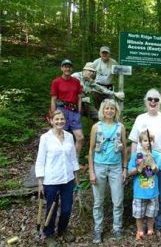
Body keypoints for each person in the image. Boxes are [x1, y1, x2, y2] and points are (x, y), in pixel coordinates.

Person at [128, 88, 161, 232]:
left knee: (160, 195)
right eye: (150, 99)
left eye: (156, 99)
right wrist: (133, 162)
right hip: (142, 161)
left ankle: (159, 224)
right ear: (146, 101)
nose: (153, 102)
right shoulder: (140, 118)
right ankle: (143, 225)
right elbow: (133, 142)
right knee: (143, 192)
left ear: (160, 102)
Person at [35, 110, 79, 246]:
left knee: (67, 209)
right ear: (51, 121)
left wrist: (76, 177)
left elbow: (72, 158)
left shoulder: (69, 136)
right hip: (51, 180)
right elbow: (40, 161)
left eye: (62, 119)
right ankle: (49, 234)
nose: (59, 121)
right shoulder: (45, 138)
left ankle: (63, 230)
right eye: (57, 119)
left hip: (68, 179)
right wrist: (40, 182)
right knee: (51, 209)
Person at [88, 99, 128, 243]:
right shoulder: (96, 127)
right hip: (99, 166)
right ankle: (98, 230)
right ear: (102, 111)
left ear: (116, 111)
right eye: (107, 109)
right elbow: (91, 150)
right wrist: (91, 172)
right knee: (98, 202)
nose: (109, 111)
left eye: (112, 108)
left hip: (116, 167)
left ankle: (117, 228)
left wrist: (125, 169)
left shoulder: (120, 127)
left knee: (117, 200)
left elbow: (124, 150)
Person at [128, 131, 161, 240]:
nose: (148, 143)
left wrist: (152, 164)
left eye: (150, 141)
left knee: (151, 213)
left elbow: (157, 170)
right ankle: (140, 231)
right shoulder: (136, 156)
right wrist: (139, 167)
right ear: (141, 142)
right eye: (145, 140)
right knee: (139, 214)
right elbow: (130, 172)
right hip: (139, 192)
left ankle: (150, 230)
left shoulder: (156, 155)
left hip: (152, 192)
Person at [50, 59, 84, 158]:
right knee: (60, 136)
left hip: (74, 111)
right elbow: (53, 99)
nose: (67, 68)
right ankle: (61, 158)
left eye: (69, 67)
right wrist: (53, 114)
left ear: (71, 69)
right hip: (62, 110)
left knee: (80, 137)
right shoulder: (56, 81)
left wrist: (79, 110)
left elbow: (79, 97)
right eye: (65, 66)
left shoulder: (76, 82)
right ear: (61, 68)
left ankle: (75, 159)